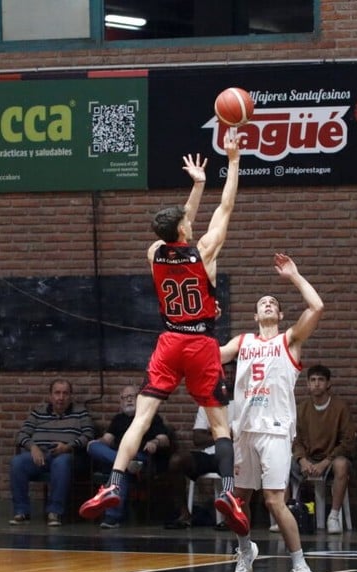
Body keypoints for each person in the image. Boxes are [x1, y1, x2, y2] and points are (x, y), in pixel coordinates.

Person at [79, 134, 249, 536]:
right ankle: (228, 493)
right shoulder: (205, 251)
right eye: (187, 221)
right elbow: (226, 207)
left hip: (169, 341)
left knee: (141, 418)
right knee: (220, 427)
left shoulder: (155, 251)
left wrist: (197, 186)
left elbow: (178, 223)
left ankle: (113, 483)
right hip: (201, 343)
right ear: (185, 229)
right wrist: (233, 160)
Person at [220, 253, 324, 572]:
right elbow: (209, 355)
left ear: (279, 314)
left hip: (276, 431)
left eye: (273, 303)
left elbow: (317, 307)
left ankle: (300, 565)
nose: (267, 304)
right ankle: (245, 550)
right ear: (255, 315)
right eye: (262, 303)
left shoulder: (288, 341)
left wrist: (294, 275)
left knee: (274, 501)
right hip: (244, 430)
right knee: (239, 499)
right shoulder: (243, 341)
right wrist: (205, 321)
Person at [10, 378, 94, 527]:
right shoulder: (38, 412)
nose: (61, 397)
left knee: (61, 463)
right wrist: (33, 447)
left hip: (67, 456)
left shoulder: (80, 412)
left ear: (70, 396)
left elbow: (89, 435)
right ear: (50, 396)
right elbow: (21, 435)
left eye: (65, 393)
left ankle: (54, 512)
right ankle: (21, 511)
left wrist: (68, 447)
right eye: (57, 393)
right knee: (17, 462)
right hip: (40, 455)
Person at [87, 385, 171, 529]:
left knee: (119, 469)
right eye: (125, 397)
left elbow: (165, 440)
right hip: (124, 460)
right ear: (121, 401)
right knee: (94, 447)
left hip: (140, 458)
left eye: (132, 396)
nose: (129, 400)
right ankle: (125, 464)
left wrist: (155, 442)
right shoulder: (118, 419)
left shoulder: (150, 417)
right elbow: (107, 439)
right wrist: (97, 442)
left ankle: (112, 517)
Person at [291, 364, 356, 535]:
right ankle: (287, 514)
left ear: (328, 383)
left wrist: (326, 462)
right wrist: (302, 460)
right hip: (308, 458)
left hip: (332, 459)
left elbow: (348, 442)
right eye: (313, 380)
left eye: (321, 380)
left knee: (342, 465)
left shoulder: (340, 407)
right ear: (307, 384)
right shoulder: (302, 409)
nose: (317, 384)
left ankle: (333, 516)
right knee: (281, 463)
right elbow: (295, 439)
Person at [163, 403, 239, 530]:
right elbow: (198, 438)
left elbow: (241, 436)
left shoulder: (242, 402)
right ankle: (184, 515)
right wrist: (224, 435)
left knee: (238, 465)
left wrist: (213, 432)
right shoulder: (207, 404)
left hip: (234, 455)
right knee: (177, 461)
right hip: (210, 455)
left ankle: (231, 518)